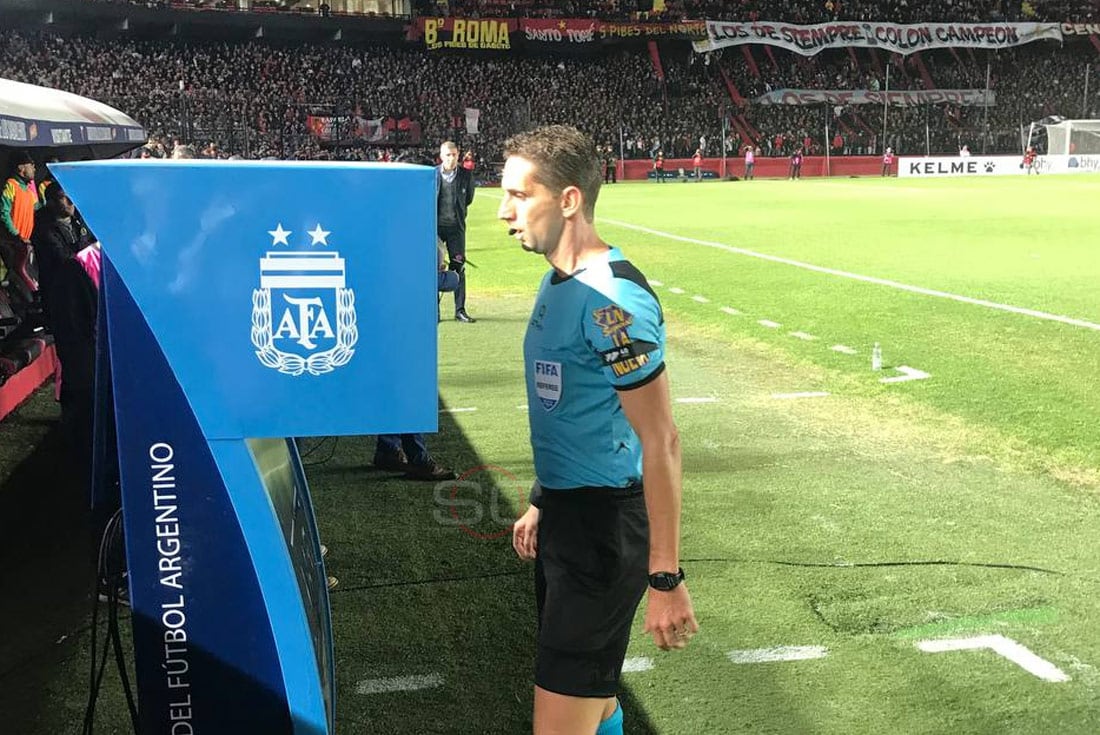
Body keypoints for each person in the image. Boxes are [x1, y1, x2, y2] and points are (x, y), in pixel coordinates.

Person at [499, 125, 698, 735]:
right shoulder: (556, 277)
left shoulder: (613, 300)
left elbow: (659, 440)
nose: (504, 212)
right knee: (596, 701)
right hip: (567, 515)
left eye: (518, 195)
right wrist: (544, 498)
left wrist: (665, 576)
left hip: (604, 534)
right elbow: (574, 409)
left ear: (567, 201)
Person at [436, 141, 476, 323]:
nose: (451, 158)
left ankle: (460, 310)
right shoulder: (432, 175)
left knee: (458, 266)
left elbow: (468, 199)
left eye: (454, 155)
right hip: (434, 229)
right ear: (441, 156)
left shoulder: (466, 176)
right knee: (433, 269)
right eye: (447, 155)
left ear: (458, 155)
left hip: (456, 229)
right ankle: (433, 311)